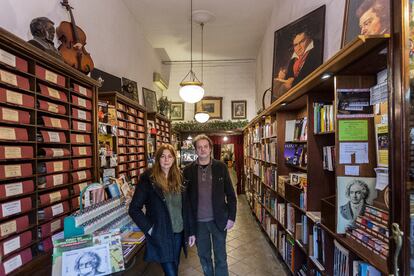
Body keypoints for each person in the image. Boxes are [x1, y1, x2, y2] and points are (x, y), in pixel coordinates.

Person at [129, 144, 195, 276]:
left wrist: (191, 231)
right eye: (163, 156)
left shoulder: (179, 177)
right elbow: (134, 209)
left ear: (174, 159)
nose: (166, 159)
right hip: (161, 234)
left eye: (169, 156)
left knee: (174, 266)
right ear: (157, 159)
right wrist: (150, 228)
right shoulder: (148, 179)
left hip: (178, 232)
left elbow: (186, 207)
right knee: (171, 273)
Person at [183, 134, 237, 276]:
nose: (202, 150)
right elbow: (186, 202)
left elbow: (231, 195)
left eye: (205, 146)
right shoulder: (187, 171)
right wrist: (190, 229)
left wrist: (231, 217)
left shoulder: (221, 167)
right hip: (199, 224)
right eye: (199, 147)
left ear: (210, 149)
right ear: (195, 150)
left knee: (221, 258)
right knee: (204, 257)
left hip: (219, 221)